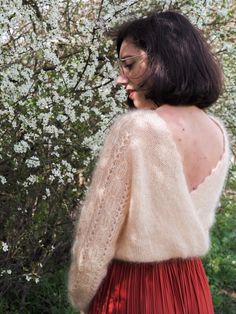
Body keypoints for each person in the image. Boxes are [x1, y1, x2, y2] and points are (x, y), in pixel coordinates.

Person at [67, 10, 231, 314]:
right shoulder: (218, 133)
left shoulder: (137, 128)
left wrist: (81, 295)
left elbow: (98, 234)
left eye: (129, 65)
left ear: (164, 61)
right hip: (192, 288)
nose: (120, 79)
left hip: (133, 290)